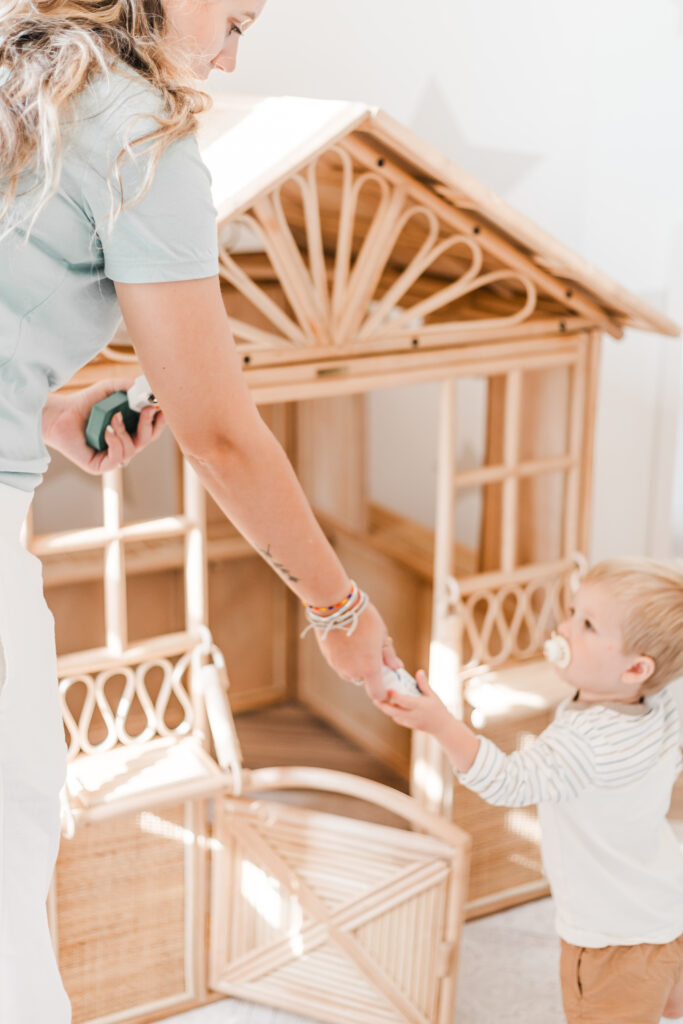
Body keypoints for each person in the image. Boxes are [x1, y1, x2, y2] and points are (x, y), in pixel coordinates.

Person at [0, 2, 399, 1020]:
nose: (225, 59)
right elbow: (221, 434)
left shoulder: (23, 81)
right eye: (234, 22)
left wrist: (44, 406)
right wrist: (340, 612)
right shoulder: (138, 132)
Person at [375, 558, 683, 1024]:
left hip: (609, 935)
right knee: (662, 996)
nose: (564, 628)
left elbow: (509, 780)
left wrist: (441, 723)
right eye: (573, 611)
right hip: (664, 899)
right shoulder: (664, 703)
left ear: (636, 668)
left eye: (586, 624)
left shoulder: (583, 744)